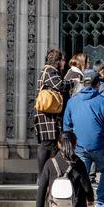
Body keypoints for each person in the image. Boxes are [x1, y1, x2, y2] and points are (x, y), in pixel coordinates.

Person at [63, 70, 104, 207]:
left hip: (80, 146)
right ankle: (100, 201)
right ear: (98, 84)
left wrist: (70, 146)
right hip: (99, 145)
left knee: (81, 174)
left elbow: (66, 127)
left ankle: (81, 201)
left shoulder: (72, 101)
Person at [34, 49, 73, 179]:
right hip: (47, 116)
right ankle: (42, 176)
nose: (64, 63)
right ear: (57, 61)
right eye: (62, 60)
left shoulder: (47, 70)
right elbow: (60, 85)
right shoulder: (50, 70)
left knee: (50, 144)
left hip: (47, 115)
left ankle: (49, 174)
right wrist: (73, 82)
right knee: (46, 144)